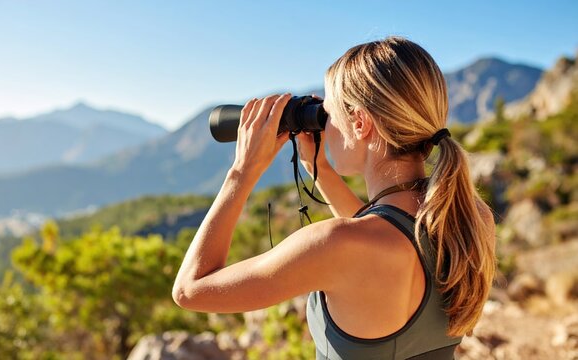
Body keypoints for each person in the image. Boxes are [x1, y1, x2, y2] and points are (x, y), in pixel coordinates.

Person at [172, 36, 497, 359]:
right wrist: (319, 169)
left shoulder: (335, 244)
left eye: (328, 114)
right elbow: (389, 234)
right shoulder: (471, 218)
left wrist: (241, 173)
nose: (326, 127)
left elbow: (190, 290)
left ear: (359, 122)